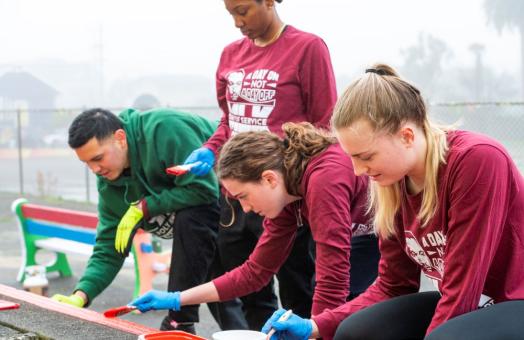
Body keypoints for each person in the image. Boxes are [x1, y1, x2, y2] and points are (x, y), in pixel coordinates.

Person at [260, 64, 524, 340]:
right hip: (474, 303)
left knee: (444, 337)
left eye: (366, 156)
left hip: (514, 299)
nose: (358, 171)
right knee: (353, 332)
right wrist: (315, 326)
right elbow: (393, 285)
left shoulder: (477, 159)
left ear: (406, 136)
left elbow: (463, 290)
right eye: (352, 158)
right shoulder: (394, 182)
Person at [181, 0, 339, 329]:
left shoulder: (307, 48)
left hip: (283, 194)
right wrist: (210, 150)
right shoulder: (230, 55)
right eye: (231, 14)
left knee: (299, 288)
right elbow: (228, 120)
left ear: (268, 1)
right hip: (240, 196)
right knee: (252, 290)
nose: (238, 22)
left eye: (243, 10)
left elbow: (326, 124)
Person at [129, 122, 380, 323]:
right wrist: (176, 298)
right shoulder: (287, 196)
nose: (246, 209)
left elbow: (332, 279)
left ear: (269, 179)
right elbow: (254, 273)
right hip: (367, 233)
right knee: (338, 314)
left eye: (243, 197)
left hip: (393, 230)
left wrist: (313, 330)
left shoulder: (324, 180)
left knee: (349, 312)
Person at [51, 107, 246, 334]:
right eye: (87, 163)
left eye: (98, 158)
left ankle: (178, 321)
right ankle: (191, 325)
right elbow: (109, 247)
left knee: (252, 294)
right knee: (220, 293)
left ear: (120, 139)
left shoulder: (165, 130)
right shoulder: (108, 185)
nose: (94, 169)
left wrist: (144, 207)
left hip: (241, 196)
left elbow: (203, 191)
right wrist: (81, 295)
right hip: (206, 224)